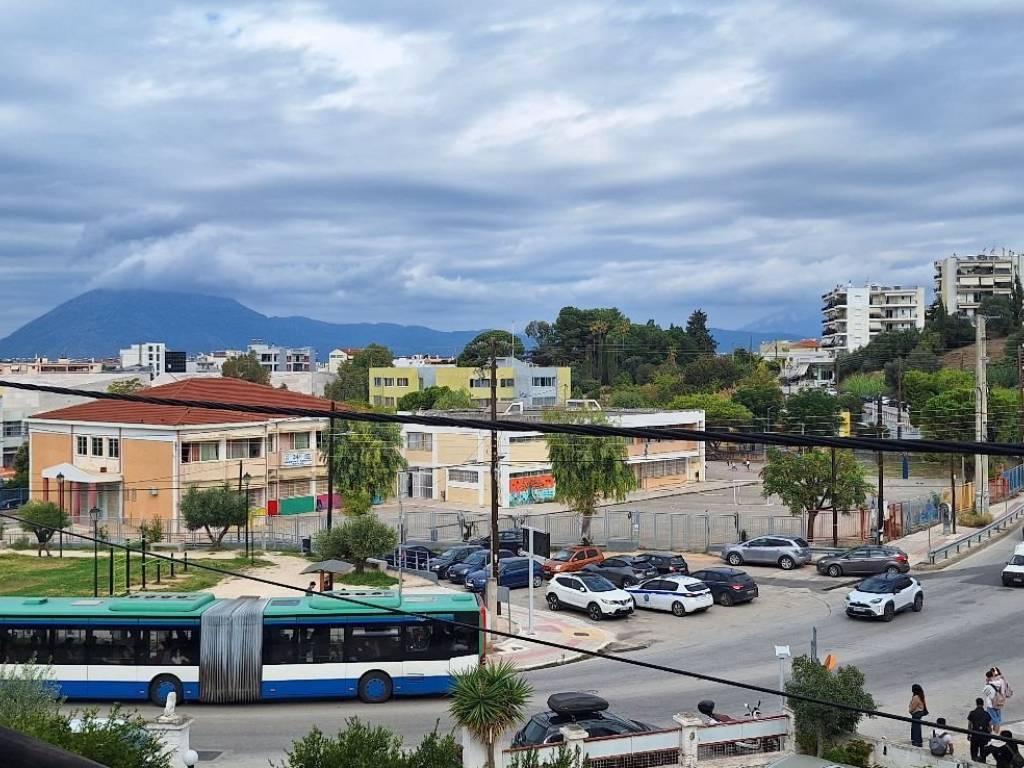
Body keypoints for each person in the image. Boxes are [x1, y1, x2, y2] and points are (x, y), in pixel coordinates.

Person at [970, 697, 994, 762]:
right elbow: (989, 727)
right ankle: (982, 762)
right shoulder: (987, 714)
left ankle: (974, 761)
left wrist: (969, 735)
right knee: (983, 751)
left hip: (975, 736)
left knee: (974, 751)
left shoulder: (972, 713)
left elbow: (970, 725)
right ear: (983, 704)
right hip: (984, 736)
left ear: (976, 704)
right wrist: (990, 735)